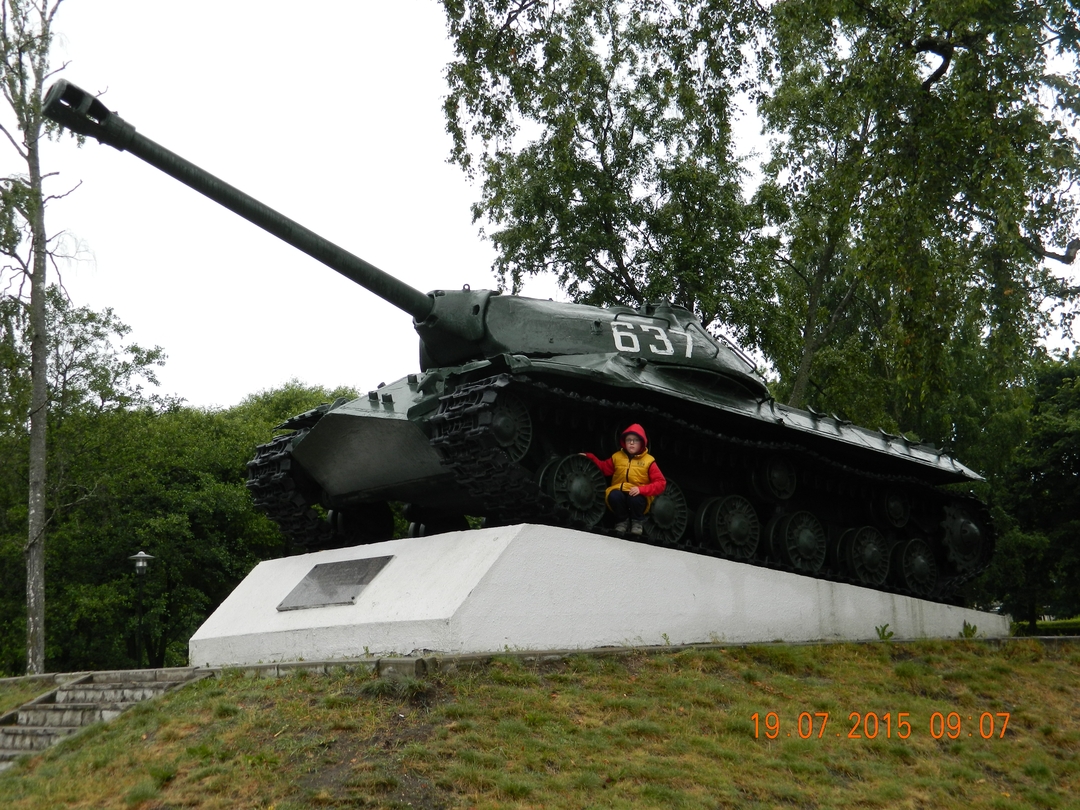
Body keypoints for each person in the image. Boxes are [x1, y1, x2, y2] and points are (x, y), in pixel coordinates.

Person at [581, 423, 667, 536]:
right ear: (624, 442)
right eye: (628, 440)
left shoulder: (649, 461)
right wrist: (589, 457)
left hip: (638, 494)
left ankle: (637, 522)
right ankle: (622, 521)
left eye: (635, 440)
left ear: (642, 443)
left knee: (635, 499)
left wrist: (641, 490)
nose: (631, 443)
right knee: (614, 495)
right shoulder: (617, 457)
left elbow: (661, 483)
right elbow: (603, 468)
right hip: (620, 490)